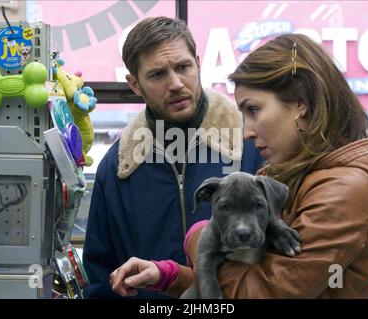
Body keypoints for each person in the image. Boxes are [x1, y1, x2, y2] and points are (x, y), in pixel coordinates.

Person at [111, 33, 368, 298]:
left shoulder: (344, 192)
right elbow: (250, 281)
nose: (246, 131)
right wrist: (168, 276)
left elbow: (264, 293)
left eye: (253, 109)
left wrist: (200, 236)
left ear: (300, 102)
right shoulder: (296, 178)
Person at [82, 16, 264, 299]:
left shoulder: (253, 145)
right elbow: (100, 276)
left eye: (183, 67)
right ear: (134, 84)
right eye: (157, 75)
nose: (176, 83)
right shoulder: (119, 166)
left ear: (199, 64)